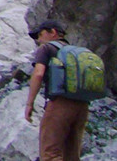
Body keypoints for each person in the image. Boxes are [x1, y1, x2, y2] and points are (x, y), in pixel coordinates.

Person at [24, 20, 90, 161]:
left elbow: (38, 74)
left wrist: (30, 103)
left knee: (50, 153)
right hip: (82, 106)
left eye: (40, 34)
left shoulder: (47, 48)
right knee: (71, 156)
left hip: (59, 104)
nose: (38, 40)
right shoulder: (76, 52)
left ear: (52, 32)